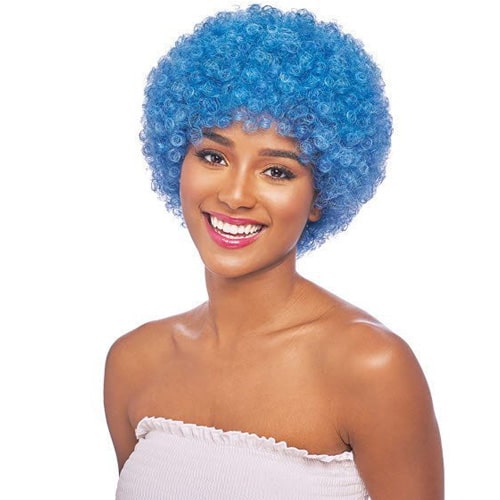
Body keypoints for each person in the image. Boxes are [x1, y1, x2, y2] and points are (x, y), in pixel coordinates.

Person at [104, 5, 444, 499]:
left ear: (320, 195)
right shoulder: (135, 362)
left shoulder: (370, 366)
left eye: (277, 171)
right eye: (213, 156)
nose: (235, 195)